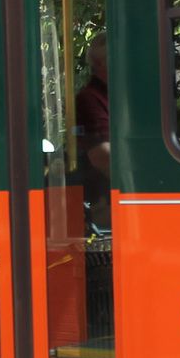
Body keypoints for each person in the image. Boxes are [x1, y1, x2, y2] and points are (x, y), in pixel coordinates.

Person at [74, 36, 110, 228]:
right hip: (103, 203)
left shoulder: (119, 96)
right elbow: (102, 156)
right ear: (99, 63)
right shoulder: (89, 99)